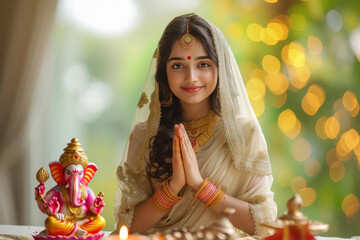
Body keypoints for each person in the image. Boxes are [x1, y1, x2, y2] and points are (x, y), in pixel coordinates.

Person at [114, 13, 277, 237]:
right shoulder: (144, 135)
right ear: (163, 73)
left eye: (203, 64)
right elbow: (126, 228)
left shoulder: (243, 134)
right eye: (178, 66)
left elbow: (265, 224)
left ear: (220, 69)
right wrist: (172, 188)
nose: (191, 77)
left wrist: (201, 186)